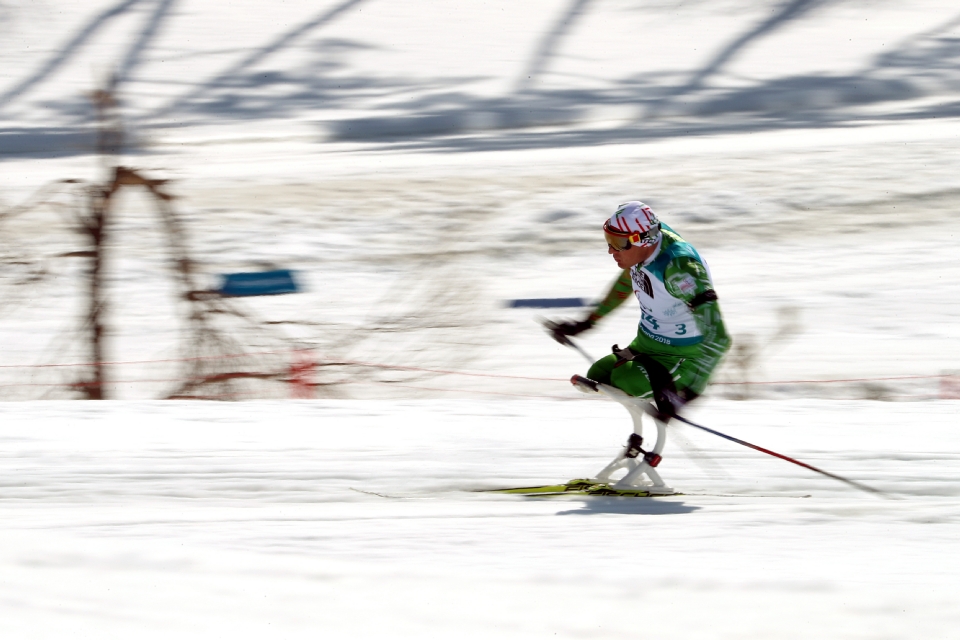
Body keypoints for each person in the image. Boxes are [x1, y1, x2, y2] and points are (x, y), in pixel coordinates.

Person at [548, 201, 731, 419]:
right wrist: (587, 322)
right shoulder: (644, 246)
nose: (610, 250)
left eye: (616, 243)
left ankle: (674, 382)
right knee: (598, 375)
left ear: (643, 240)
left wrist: (689, 394)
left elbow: (719, 338)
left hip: (680, 356)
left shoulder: (680, 271)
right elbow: (629, 281)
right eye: (609, 240)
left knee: (624, 381)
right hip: (646, 343)